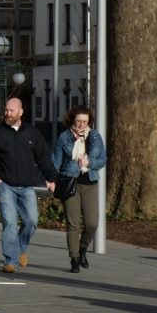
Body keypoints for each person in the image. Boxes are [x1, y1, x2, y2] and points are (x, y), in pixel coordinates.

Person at [0, 97, 58, 274]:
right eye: (6, 110)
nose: (7, 113)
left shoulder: (31, 133)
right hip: (6, 185)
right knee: (9, 222)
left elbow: (43, 156)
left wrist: (50, 177)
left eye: (11, 110)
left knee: (32, 221)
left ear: (20, 112)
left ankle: (20, 248)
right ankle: (10, 260)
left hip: (27, 187)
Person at [52, 107, 107, 273]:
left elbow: (102, 159)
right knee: (73, 224)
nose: (81, 124)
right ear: (72, 120)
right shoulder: (64, 137)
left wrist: (89, 163)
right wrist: (50, 180)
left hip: (90, 182)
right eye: (78, 121)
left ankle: (83, 248)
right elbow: (55, 161)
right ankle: (74, 258)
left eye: (85, 121)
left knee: (92, 223)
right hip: (70, 182)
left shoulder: (95, 136)